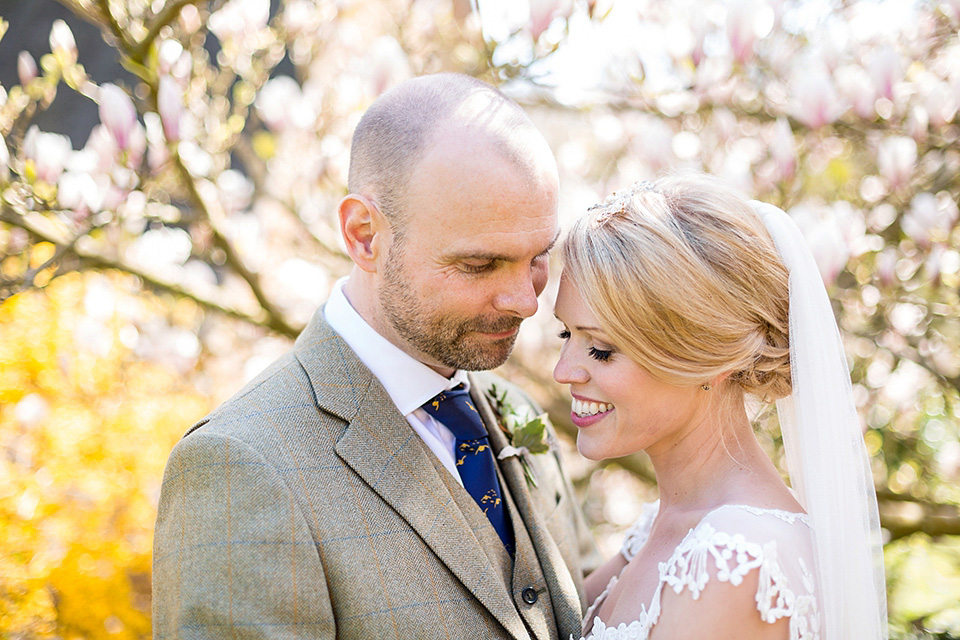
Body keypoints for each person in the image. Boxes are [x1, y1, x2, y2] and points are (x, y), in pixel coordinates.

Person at [152, 73, 599, 640]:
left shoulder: (518, 412)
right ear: (364, 235)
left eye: (537, 256)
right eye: (479, 265)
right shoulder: (239, 465)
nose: (525, 300)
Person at [553, 173, 887, 640]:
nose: (563, 371)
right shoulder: (663, 524)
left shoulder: (733, 562)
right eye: (566, 334)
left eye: (602, 350)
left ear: (707, 358)